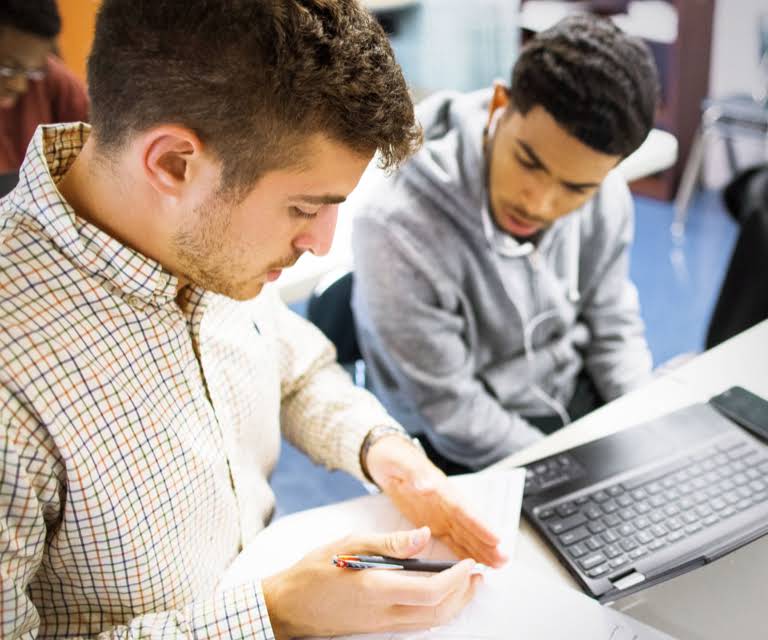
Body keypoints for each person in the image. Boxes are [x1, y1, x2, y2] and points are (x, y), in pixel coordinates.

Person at [0, 2, 507, 638]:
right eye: (304, 207)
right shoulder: (11, 379)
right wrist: (277, 613)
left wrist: (386, 454)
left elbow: (292, 369)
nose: (322, 243)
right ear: (173, 164)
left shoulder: (205, 241)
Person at [351, 15, 658, 474]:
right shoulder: (399, 229)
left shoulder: (607, 197)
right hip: (460, 442)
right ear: (499, 105)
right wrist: (569, 473)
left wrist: (641, 427)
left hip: (568, 395)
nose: (540, 203)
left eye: (576, 188)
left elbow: (614, 328)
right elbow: (453, 412)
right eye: (528, 162)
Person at [0, 0, 89, 173]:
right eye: (8, 69)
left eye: (31, 71)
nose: (20, 86)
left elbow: (107, 146)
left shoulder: (53, 82)